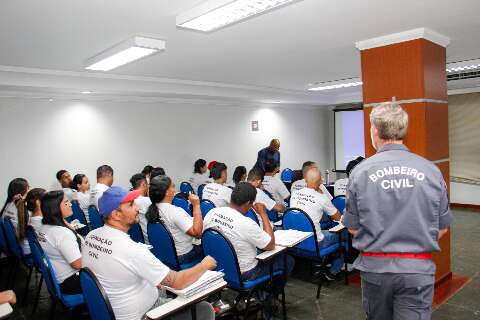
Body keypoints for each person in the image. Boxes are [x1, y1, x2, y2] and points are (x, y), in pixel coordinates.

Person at [342, 102, 453, 320]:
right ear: (403, 130)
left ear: (375, 131)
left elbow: (353, 229)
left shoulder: (359, 173)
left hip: (375, 271)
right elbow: (442, 228)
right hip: (417, 270)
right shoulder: (431, 170)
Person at [82, 186, 217, 320]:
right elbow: (178, 282)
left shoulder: (91, 236)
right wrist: (204, 265)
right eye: (131, 205)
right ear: (115, 215)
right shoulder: (131, 250)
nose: (138, 208)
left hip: (114, 310)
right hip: (146, 314)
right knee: (204, 309)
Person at [290, 167, 343, 277]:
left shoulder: (294, 194)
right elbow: (337, 217)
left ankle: (318, 263)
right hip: (315, 243)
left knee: (320, 228)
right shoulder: (322, 198)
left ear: (305, 180)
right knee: (342, 236)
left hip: (296, 241)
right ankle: (333, 271)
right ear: (320, 182)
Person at [146, 176, 203, 264]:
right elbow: (197, 233)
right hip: (184, 256)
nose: (175, 189)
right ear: (167, 192)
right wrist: (196, 205)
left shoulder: (152, 209)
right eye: (172, 186)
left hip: (166, 255)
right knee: (210, 248)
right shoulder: (174, 211)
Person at [37, 190, 83, 294]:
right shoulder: (62, 233)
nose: (70, 204)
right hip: (71, 281)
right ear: (55, 208)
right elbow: (77, 264)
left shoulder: (44, 226)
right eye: (66, 202)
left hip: (59, 278)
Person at [0, 178, 30, 254]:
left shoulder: (8, 206)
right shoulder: (21, 211)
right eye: (28, 188)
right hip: (27, 250)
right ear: (23, 192)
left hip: (15, 249)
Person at [130, 173, 152, 244]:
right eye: (147, 184)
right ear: (143, 184)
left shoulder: (129, 200)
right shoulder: (148, 201)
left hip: (139, 238)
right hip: (151, 240)